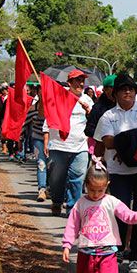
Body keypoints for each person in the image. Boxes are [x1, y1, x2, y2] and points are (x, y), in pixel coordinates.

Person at [93, 73, 137, 273]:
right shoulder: (108, 116)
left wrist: (123, 143)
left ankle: (135, 257)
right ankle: (118, 250)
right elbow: (106, 142)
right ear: (115, 94)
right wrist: (132, 141)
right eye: (122, 89)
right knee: (120, 213)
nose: (127, 92)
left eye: (131, 89)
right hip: (118, 172)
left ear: (136, 92)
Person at [62, 161, 137, 273]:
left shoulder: (111, 201)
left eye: (100, 190)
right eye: (92, 190)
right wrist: (67, 245)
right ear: (86, 185)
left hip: (107, 252)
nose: (96, 194)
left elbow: (127, 215)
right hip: (86, 253)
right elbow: (72, 225)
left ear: (107, 185)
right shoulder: (80, 204)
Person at [44, 69, 94, 217]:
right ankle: (57, 201)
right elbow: (47, 117)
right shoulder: (58, 98)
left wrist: (89, 112)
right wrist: (46, 141)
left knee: (77, 179)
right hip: (58, 145)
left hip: (80, 146)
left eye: (82, 80)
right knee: (56, 179)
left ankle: (73, 210)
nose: (80, 83)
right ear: (69, 83)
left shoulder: (88, 100)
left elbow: (92, 122)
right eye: (77, 80)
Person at [85, 74, 117, 157]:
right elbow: (89, 130)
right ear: (105, 90)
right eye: (114, 88)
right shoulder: (98, 108)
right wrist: (106, 137)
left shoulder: (127, 106)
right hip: (102, 154)